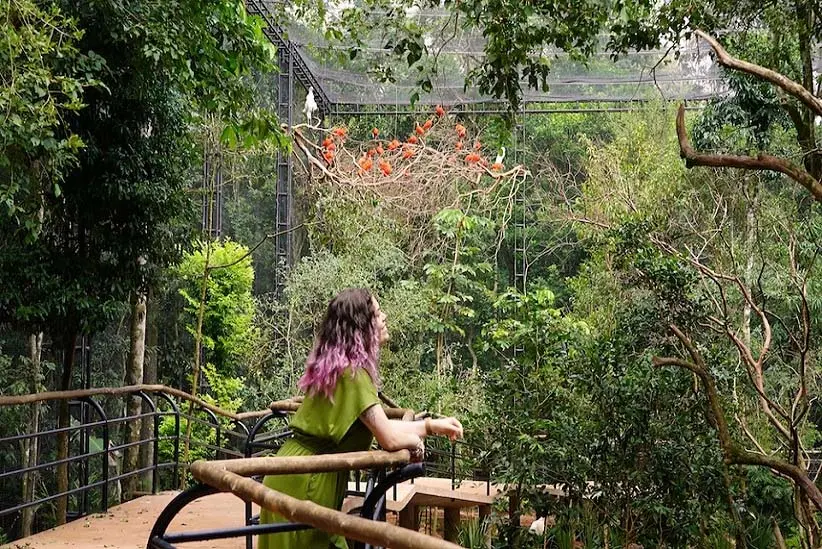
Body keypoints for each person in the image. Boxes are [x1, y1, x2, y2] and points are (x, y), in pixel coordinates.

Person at [258, 288, 463, 549]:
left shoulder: (342, 370)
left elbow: (381, 425)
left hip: (295, 472)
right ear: (361, 326)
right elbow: (389, 438)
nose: (384, 317)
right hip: (308, 479)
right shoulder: (353, 375)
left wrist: (431, 426)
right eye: (377, 314)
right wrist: (415, 441)